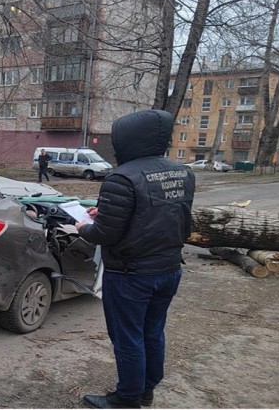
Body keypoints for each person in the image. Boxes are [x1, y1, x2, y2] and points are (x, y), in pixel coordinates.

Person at [75, 109, 195, 409]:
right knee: (152, 332)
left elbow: (105, 235)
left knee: (128, 338)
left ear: (126, 140)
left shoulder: (121, 177)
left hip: (131, 275)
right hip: (168, 270)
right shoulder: (182, 172)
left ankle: (127, 398)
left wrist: (82, 227)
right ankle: (146, 390)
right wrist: (109, 211)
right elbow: (160, 213)